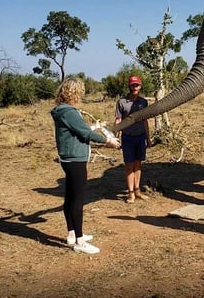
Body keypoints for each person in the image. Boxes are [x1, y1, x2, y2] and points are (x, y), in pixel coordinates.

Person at [51, 77, 121, 254]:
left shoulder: (62, 111)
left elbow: (76, 130)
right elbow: (83, 134)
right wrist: (108, 141)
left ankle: (72, 234)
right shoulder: (70, 112)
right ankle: (80, 242)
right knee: (77, 200)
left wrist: (93, 126)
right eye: (80, 92)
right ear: (74, 93)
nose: (81, 95)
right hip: (75, 159)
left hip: (68, 158)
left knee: (70, 197)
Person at [114, 75, 152, 204]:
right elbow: (118, 120)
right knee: (129, 166)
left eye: (137, 85)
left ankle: (137, 190)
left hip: (140, 137)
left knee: (138, 164)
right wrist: (116, 137)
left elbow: (145, 121)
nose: (135, 87)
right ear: (129, 86)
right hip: (128, 137)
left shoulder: (143, 102)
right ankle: (130, 193)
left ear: (140, 86)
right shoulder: (121, 102)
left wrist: (148, 138)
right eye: (133, 85)